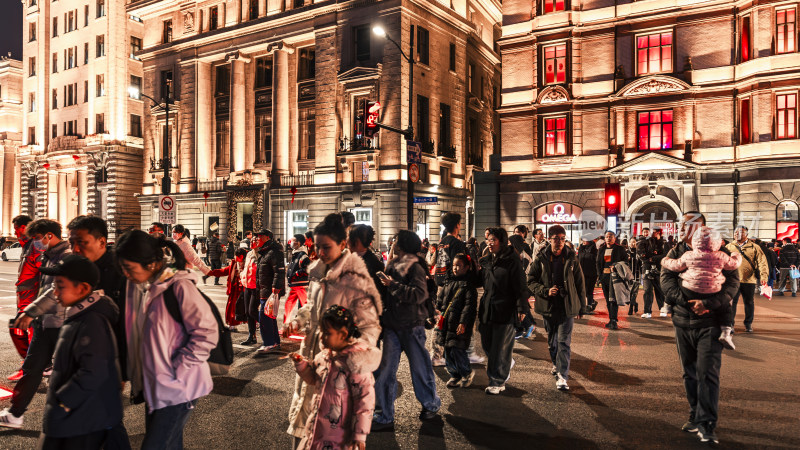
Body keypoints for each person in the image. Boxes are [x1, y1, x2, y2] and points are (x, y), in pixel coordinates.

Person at [283, 214, 381, 447]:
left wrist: (352, 357)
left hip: (339, 360)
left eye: (326, 247)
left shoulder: (356, 280)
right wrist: (297, 320)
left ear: (343, 245)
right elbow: (311, 305)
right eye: (317, 247)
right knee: (306, 410)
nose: (321, 253)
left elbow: (369, 327)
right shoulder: (319, 272)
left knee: (331, 423)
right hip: (314, 350)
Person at [116, 230, 218, 450]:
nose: (126, 274)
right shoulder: (147, 288)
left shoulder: (179, 286)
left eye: (130, 268)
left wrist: (177, 371)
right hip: (157, 386)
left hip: (178, 388)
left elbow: (207, 332)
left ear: (152, 264)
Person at [661, 212, 739, 444]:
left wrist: (709, 303)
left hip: (711, 322)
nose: (685, 227)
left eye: (691, 224)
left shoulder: (718, 250)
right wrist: (688, 303)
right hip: (683, 321)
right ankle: (695, 413)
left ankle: (706, 423)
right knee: (690, 371)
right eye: (683, 224)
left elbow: (733, 282)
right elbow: (666, 281)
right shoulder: (676, 252)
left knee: (708, 372)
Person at [37, 255, 124, 449]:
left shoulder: (91, 321)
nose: (55, 293)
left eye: (61, 286)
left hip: (80, 419)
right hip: (78, 417)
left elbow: (94, 370)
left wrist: (63, 402)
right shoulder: (80, 314)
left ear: (83, 288)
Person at [67, 215, 131, 448]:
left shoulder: (120, 272)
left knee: (107, 422)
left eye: (81, 242)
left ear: (102, 242)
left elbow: (126, 323)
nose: (74, 248)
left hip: (106, 362)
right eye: (71, 241)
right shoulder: (79, 268)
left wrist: (122, 370)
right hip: (82, 357)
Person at [1, 219, 71, 429]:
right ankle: (15, 413)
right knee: (31, 368)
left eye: (37, 239)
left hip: (60, 323)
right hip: (44, 322)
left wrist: (30, 312)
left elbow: (55, 291)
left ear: (49, 235)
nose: (36, 243)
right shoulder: (47, 256)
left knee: (67, 373)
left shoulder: (65, 258)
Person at [373, 230, 441, 427]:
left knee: (420, 368)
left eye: (395, 241)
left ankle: (430, 405)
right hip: (393, 324)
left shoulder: (415, 266)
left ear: (401, 245)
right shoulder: (394, 263)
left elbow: (419, 294)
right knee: (386, 371)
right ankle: (384, 414)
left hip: (412, 325)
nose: (392, 243)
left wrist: (392, 284)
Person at [290, 305, 377, 450]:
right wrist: (302, 365)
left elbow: (365, 403)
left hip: (339, 437)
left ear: (343, 334)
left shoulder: (355, 365)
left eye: (327, 334)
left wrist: (360, 435)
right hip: (315, 429)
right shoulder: (323, 356)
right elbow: (313, 379)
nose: (322, 338)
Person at [661, 226, 741, 350]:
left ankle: (666, 306)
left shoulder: (688, 255)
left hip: (690, 288)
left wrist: (665, 261)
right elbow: (734, 264)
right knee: (727, 308)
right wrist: (736, 255)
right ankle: (726, 332)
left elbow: (675, 266)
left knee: (681, 280)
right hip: (713, 289)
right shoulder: (722, 255)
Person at [527, 225, 586, 391]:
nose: (559, 242)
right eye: (555, 239)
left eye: (562, 238)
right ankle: (556, 363)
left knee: (563, 342)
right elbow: (531, 281)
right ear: (549, 239)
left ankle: (562, 375)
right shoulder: (541, 258)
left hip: (567, 307)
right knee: (552, 342)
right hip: (548, 305)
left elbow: (580, 284)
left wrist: (582, 307)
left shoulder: (572, 258)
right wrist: (545, 291)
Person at [478, 227, 529, 395]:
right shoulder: (486, 260)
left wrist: (522, 307)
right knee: (487, 344)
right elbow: (479, 280)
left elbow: (521, 286)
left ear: (502, 241)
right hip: (487, 308)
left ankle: (497, 380)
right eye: (488, 240)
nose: (489, 243)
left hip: (505, 308)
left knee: (499, 347)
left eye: (493, 240)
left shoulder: (512, 260)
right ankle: (505, 364)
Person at [436, 253, 478, 388]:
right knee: (447, 349)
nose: (455, 268)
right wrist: (436, 313)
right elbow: (441, 301)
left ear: (466, 267)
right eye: (454, 265)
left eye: (458, 266)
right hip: (446, 321)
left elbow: (469, 307)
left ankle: (466, 372)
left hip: (459, 322)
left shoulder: (468, 286)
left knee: (457, 349)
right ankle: (454, 374)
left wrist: (463, 322)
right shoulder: (448, 282)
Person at [8, 215, 40, 379]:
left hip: (32, 300)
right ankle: (30, 365)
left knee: (21, 330)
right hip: (25, 299)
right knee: (21, 330)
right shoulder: (27, 246)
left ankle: (31, 368)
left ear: (25, 227)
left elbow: (43, 273)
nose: (16, 232)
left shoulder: (35, 246)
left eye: (17, 228)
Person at [725, 226, 768, 333]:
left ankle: (748, 324)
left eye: (740, 232)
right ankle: (731, 325)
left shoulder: (754, 247)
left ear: (746, 234)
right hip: (733, 280)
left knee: (749, 302)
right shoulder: (729, 247)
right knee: (731, 304)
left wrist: (764, 277)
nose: (737, 234)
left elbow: (762, 263)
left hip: (749, 280)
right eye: (735, 232)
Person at [254, 228, 286, 353]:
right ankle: (275, 342)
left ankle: (269, 343)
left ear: (267, 237)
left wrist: (276, 287)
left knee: (265, 317)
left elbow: (279, 270)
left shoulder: (273, 251)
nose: (257, 239)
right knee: (269, 316)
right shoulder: (265, 251)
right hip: (265, 289)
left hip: (270, 290)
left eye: (259, 236)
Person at [207, 247, 248, 331]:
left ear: (242, 256)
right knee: (231, 308)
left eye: (237, 256)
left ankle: (255, 325)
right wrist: (211, 272)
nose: (235, 257)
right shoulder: (234, 264)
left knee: (248, 309)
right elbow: (224, 271)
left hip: (245, 290)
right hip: (234, 290)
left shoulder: (248, 265)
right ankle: (232, 324)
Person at [596, 230, 629, 330]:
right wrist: (599, 276)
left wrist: (616, 267)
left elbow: (625, 261)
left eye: (610, 236)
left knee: (613, 299)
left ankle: (613, 320)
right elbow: (598, 263)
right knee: (607, 299)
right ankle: (611, 319)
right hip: (605, 278)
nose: (608, 238)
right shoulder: (601, 249)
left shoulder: (619, 249)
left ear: (614, 238)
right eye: (607, 237)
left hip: (615, 277)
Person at [347, 224, 386, 301]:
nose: (345, 239)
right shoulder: (347, 258)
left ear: (357, 241)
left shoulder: (373, 265)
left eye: (347, 236)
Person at [639, 227, 667, 319]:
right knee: (647, 290)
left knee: (659, 290)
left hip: (658, 269)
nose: (650, 234)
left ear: (658, 233)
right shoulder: (644, 241)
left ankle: (662, 310)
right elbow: (642, 255)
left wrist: (654, 258)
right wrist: (648, 258)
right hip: (647, 268)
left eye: (652, 232)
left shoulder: (663, 243)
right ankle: (647, 311)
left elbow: (665, 255)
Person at [434, 212, 466, 287]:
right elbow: (458, 264)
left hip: (440, 281)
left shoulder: (441, 243)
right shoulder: (456, 243)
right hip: (451, 284)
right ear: (457, 225)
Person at [285, 234, 311, 326]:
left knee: (303, 306)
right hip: (294, 284)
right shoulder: (295, 253)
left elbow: (308, 268)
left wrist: (296, 273)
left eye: (293, 240)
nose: (291, 242)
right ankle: (288, 325)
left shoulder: (302, 255)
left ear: (298, 242)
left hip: (301, 285)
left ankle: (304, 324)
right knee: (289, 304)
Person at [578, 238, 598, 315]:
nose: (583, 241)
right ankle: (592, 302)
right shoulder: (581, 249)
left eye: (585, 239)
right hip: (582, 273)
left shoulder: (594, 250)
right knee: (583, 290)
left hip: (591, 274)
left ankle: (589, 305)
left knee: (589, 290)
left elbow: (596, 261)